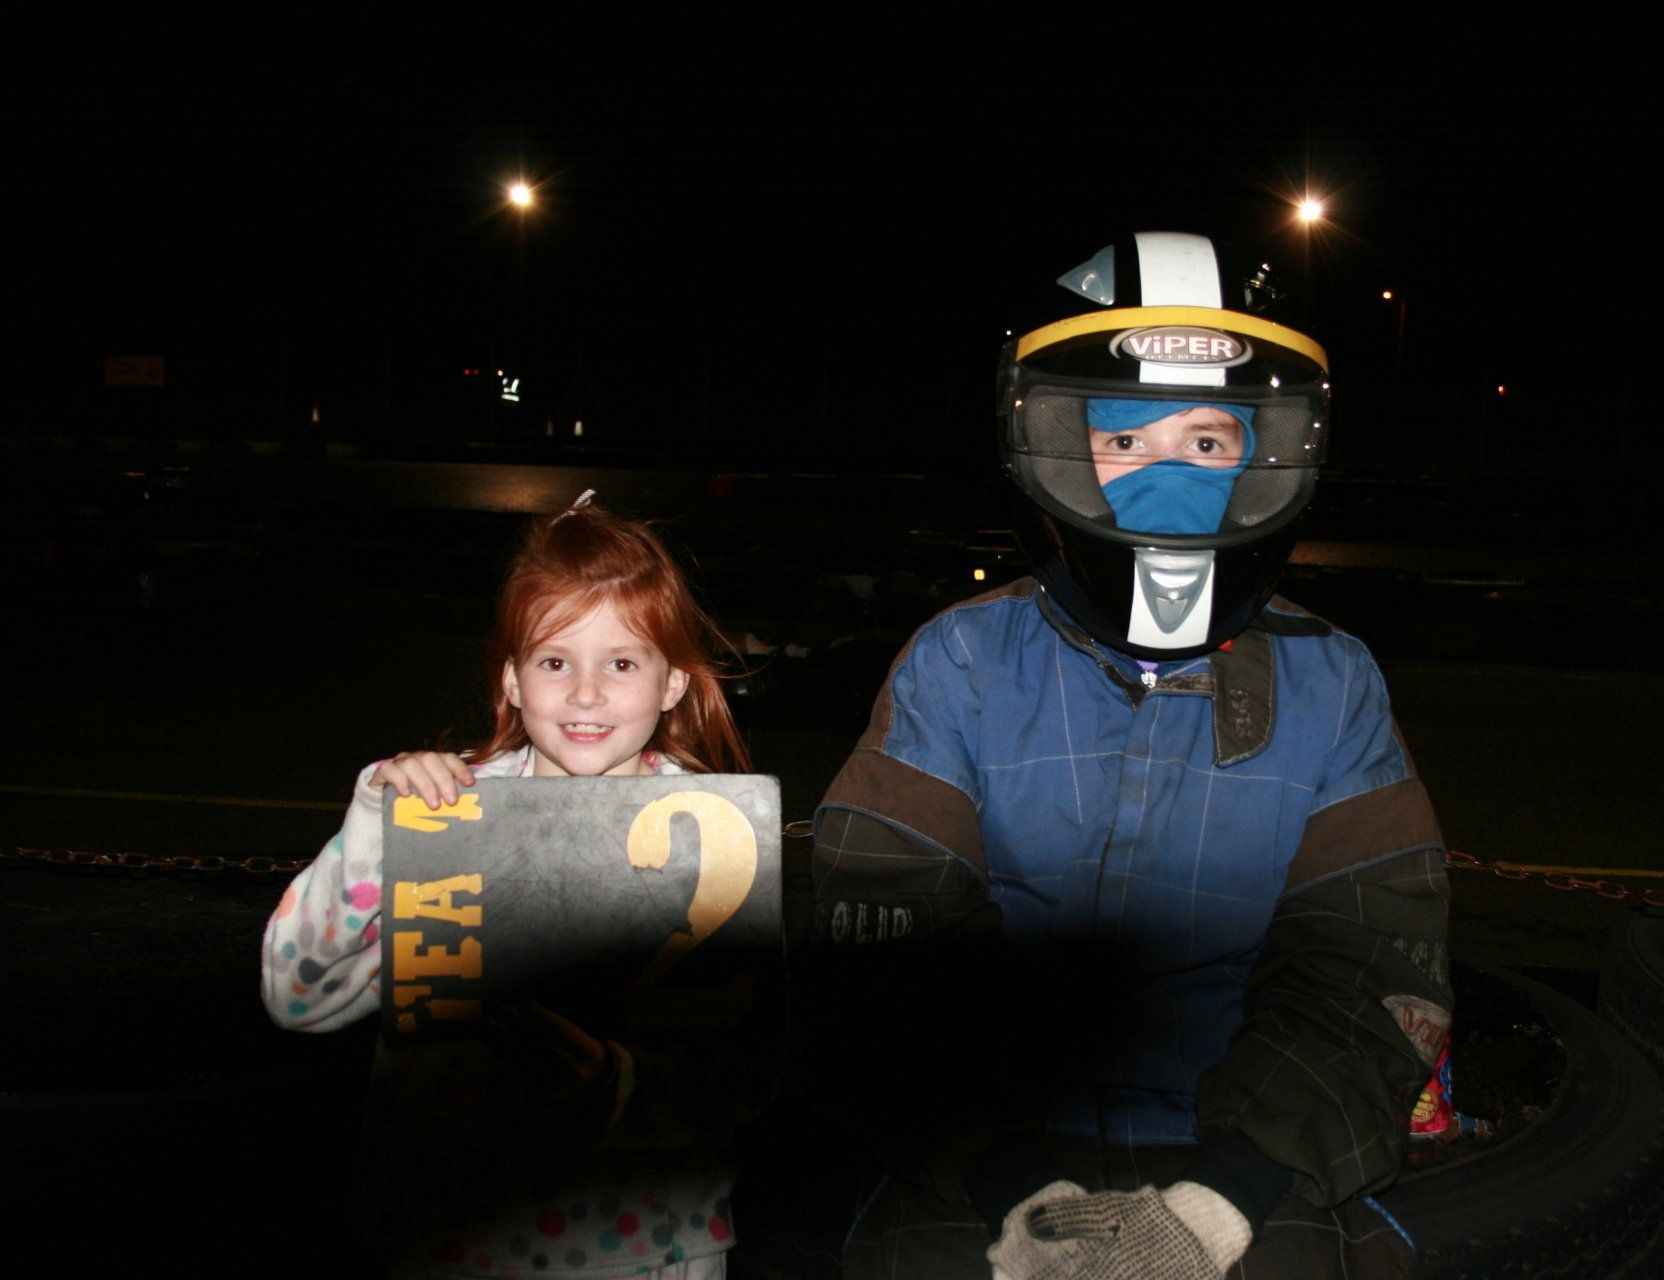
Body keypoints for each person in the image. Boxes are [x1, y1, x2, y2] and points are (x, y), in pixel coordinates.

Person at [809, 233, 1451, 1279]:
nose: (1169, 474)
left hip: (1242, 1156)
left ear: (1260, 460)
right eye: (1125, 439)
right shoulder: (960, 662)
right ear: (1061, 448)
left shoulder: (1333, 684)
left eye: (1207, 440)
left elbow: (1368, 968)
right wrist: (1013, 1184)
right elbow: (887, 946)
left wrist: (1216, 1205)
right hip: (984, 1157)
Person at [262, 493, 760, 1279]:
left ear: (671, 684)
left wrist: (613, 1081)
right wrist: (377, 825)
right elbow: (299, 998)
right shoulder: (447, 821)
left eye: (621, 662)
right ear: (514, 680)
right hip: (455, 1233)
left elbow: (749, 1073)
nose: (586, 693)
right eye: (555, 661)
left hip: (646, 1244)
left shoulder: (715, 842)